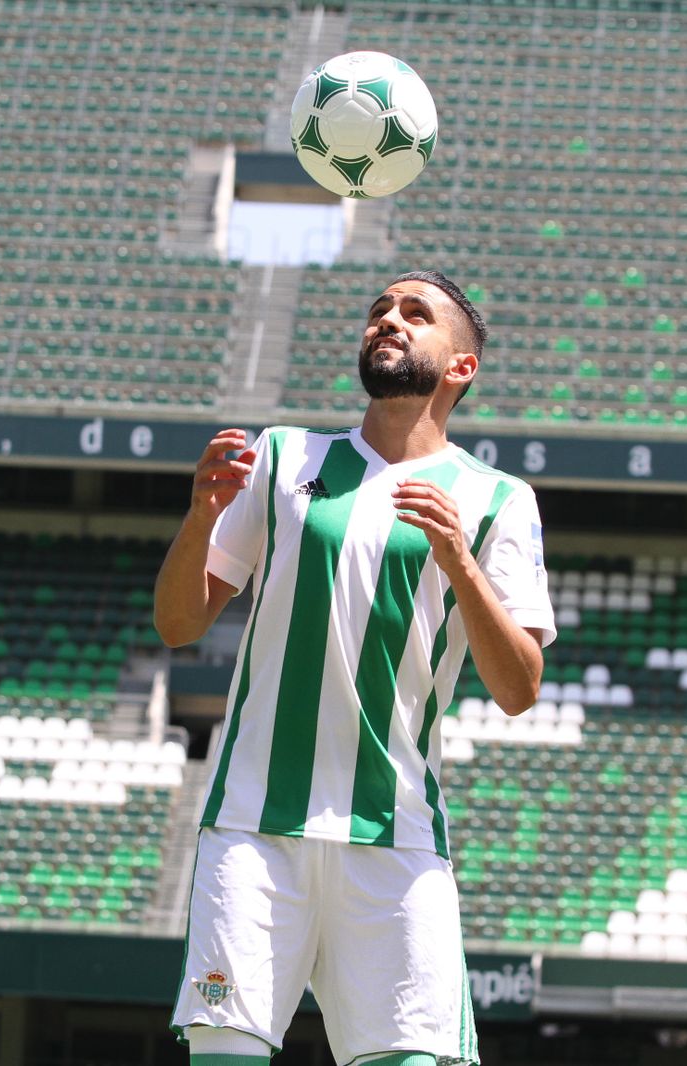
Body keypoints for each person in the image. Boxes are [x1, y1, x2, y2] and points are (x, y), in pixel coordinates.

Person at [155, 270, 555, 1066]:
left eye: (416, 313)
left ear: (460, 366)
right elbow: (177, 623)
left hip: (395, 836)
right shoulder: (282, 457)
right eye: (379, 310)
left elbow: (518, 689)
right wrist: (201, 517)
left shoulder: (497, 499)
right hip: (254, 826)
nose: (389, 320)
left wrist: (458, 560)